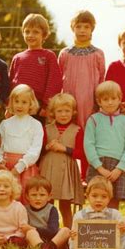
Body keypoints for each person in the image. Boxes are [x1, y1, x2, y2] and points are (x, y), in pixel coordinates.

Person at [84, 81, 125, 209]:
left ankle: (111, 228)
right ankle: (94, 225)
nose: (110, 102)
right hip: (98, 165)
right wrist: (99, 167)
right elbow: (89, 144)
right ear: (99, 101)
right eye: (105, 99)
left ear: (120, 99)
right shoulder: (93, 119)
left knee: (113, 201)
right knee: (96, 198)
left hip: (117, 167)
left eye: (113, 98)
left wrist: (120, 168)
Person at [38, 93, 85, 228]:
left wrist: (64, 148)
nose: (63, 114)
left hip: (67, 170)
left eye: (67, 111)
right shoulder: (46, 129)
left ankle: (68, 233)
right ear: (53, 113)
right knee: (47, 202)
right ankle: (47, 231)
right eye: (60, 111)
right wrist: (47, 147)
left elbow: (81, 153)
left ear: (73, 112)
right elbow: (39, 151)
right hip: (48, 168)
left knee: (65, 205)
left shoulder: (77, 130)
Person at [0, 84, 44, 204]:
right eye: (16, 101)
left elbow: (35, 150)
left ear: (31, 104)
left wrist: (19, 168)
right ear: (11, 103)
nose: (20, 105)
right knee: (7, 197)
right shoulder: (5, 124)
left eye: (24, 102)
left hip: (25, 166)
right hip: (6, 166)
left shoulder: (35, 125)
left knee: (26, 197)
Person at [9, 13, 62, 124]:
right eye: (27, 31)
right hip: (18, 104)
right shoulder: (17, 57)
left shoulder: (48, 56)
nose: (30, 35)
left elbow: (54, 81)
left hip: (37, 107)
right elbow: (11, 82)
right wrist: (9, 105)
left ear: (44, 34)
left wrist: (46, 105)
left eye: (35, 32)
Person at [58, 10, 105, 129]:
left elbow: (102, 79)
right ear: (73, 28)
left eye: (86, 27)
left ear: (92, 29)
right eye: (78, 26)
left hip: (90, 101)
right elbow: (59, 78)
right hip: (69, 100)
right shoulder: (65, 53)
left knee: (89, 129)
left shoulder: (98, 54)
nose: (82, 30)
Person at [69, 176, 125, 249]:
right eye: (94, 196)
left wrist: (123, 230)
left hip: (109, 248)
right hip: (88, 248)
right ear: (87, 196)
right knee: (72, 241)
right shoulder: (79, 215)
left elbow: (122, 235)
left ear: (109, 198)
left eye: (104, 197)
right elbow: (74, 237)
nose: (98, 200)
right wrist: (73, 236)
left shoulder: (115, 214)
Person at [22, 176, 71, 249]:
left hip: (52, 239)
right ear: (27, 196)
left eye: (42, 195)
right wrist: (32, 230)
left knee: (66, 230)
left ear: (49, 197)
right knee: (30, 233)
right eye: (34, 195)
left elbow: (53, 231)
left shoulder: (52, 209)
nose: (38, 198)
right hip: (35, 240)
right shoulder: (24, 210)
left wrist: (34, 228)